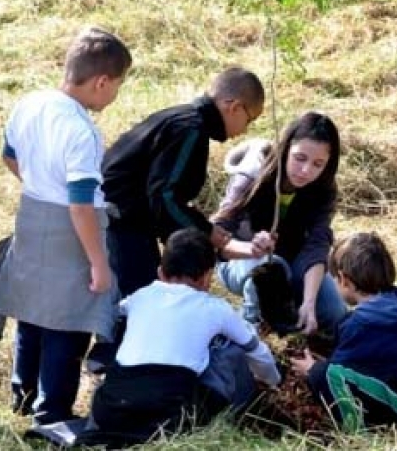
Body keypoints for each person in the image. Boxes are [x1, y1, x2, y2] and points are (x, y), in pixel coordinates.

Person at [0, 27, 132, 426]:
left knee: (32, 310)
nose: (114, 94)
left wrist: (38, 183)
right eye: (116, 86)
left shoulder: (29, 103)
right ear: (102, 81)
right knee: (70, 320)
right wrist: (98, 263)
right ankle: (53, 410)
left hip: (32, 215)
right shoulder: (82, 131)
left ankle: (23, 395)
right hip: (71, 230)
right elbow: (81, 205)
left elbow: (10, 157)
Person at [87, 68, 265, 371]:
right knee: (144, 301)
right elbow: (165, 197)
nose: (244, 130)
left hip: (116, 217)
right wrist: (208, 234)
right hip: (121, 222)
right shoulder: (191, 129)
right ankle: (119, 372)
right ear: (233, 106)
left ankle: (117, 366)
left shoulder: (181, 117)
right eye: (249, 119)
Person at [86, 228, 280, 446]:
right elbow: (256, 350)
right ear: (208, 276)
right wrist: (273, 381)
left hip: (112, 411)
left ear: (160, 272)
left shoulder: (139, 297)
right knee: (229, 349)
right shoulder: (216, 308)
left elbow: (112, 315)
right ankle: (248, 415)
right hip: (173, 418)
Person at [290, 232, 397, 432]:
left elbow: (341, 371)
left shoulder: (360, 324)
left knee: (330, 374)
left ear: (344, 279)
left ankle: (354, 431)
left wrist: (313, 371)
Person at [213, 112, 347, 335]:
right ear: (285, 150)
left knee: (333, 313)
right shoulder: (252, 177)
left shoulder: (323, 189)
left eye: (318, 164)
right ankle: (248, 331)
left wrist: (309, 302)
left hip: (295, 263)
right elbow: (217, 234)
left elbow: (317, 244)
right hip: (241, 261)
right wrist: (250, 248)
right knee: (272, 267)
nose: (306, 171)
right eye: (300, 158)